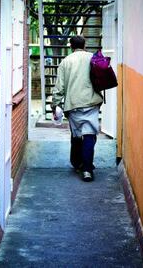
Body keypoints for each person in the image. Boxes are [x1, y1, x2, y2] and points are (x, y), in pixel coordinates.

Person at [51, 35, 103, 182]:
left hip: (73, 104)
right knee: (89, 134)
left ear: (70, 46)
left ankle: (77, 163)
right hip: (92, 102)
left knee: (77, 134)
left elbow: (60, 86)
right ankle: (87, 169)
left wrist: (55, 103)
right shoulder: (92, 58)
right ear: (85, 45)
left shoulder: (66, 62)